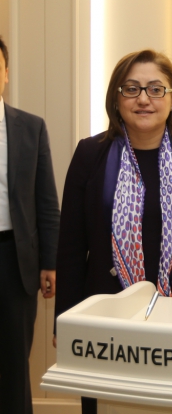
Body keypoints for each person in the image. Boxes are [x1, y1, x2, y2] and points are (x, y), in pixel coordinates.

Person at [54, 49, 172, 414]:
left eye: (155, 89)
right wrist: (65, 322)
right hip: (105, 322)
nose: (144, 99)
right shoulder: (90, 154)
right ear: (116, 98)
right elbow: (70, 247)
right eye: (131, 89)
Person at [0, 36, 60, 414]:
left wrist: (49, 262)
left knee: (12, 364)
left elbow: (47, 202)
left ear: (6, 73)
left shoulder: (30, 128)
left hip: (14, 261)